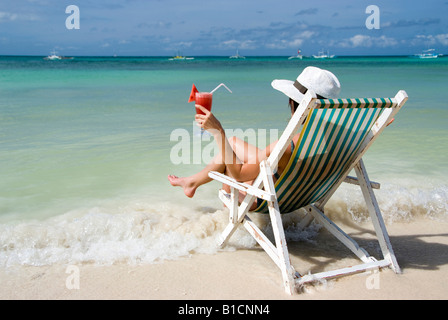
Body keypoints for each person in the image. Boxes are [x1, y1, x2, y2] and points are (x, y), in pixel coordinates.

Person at [168, 66, 341, 209]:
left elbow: (238, 175)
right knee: (233, 143)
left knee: (229, 165)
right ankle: (192, 182)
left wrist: (218, 131)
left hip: (273, 199)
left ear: (295, 103)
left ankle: (197, 188)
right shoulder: (340, 140)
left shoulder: (287, 146)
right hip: (300, 193)